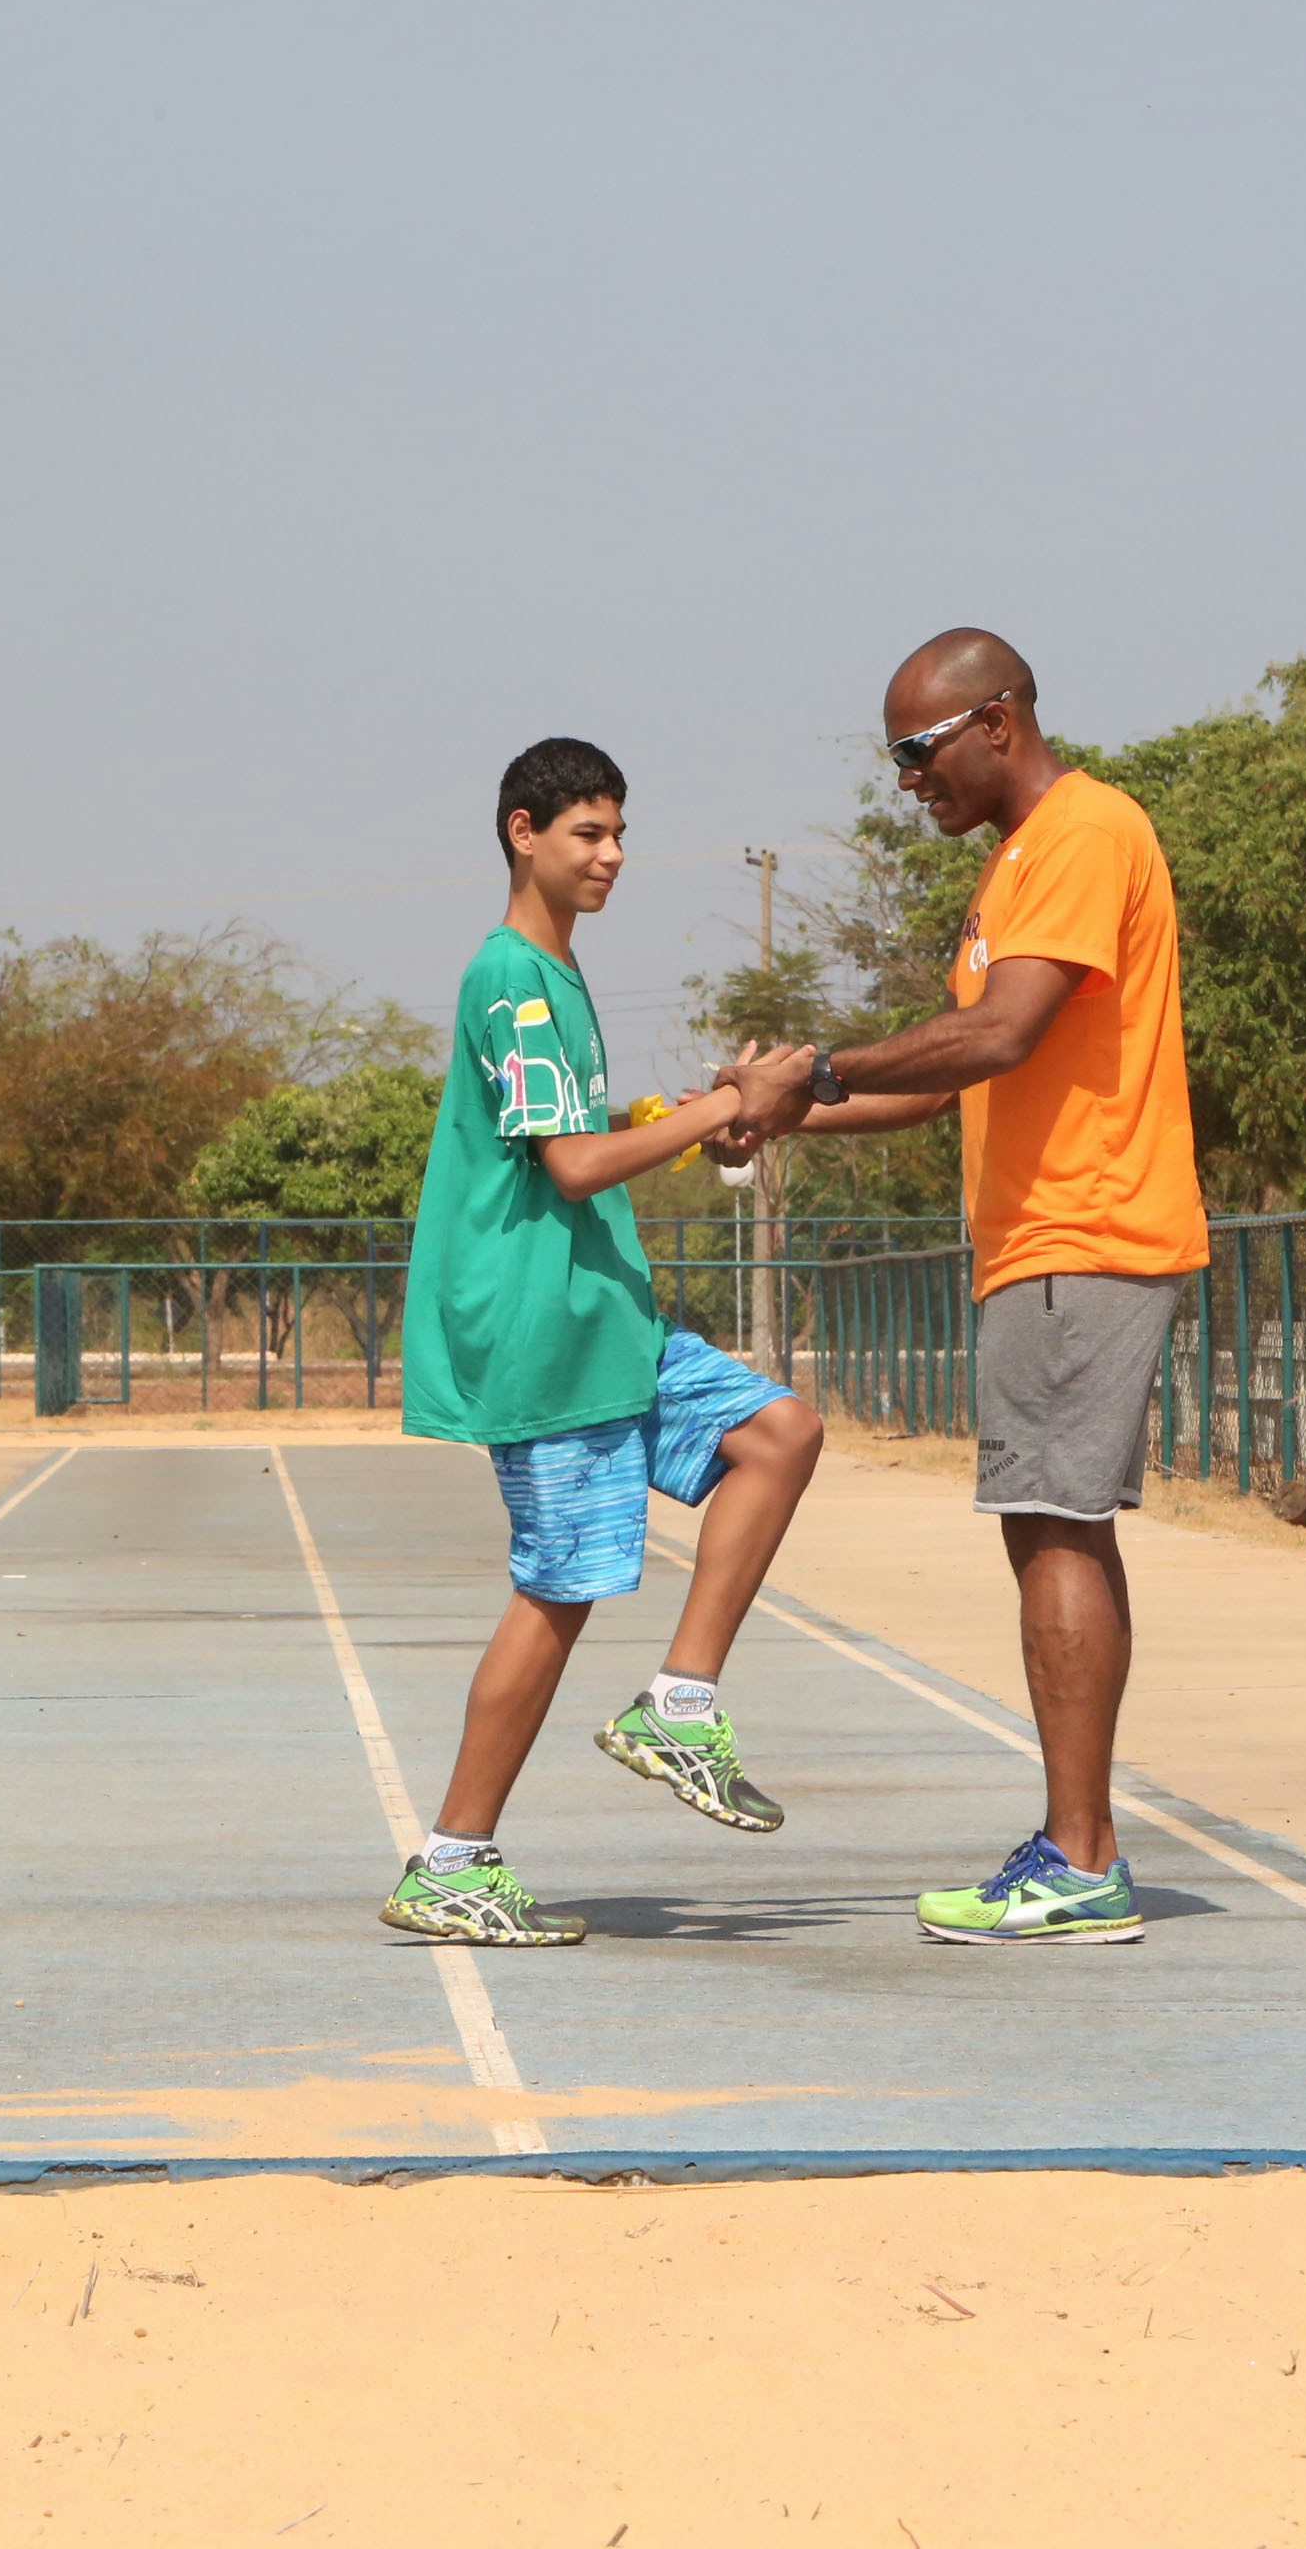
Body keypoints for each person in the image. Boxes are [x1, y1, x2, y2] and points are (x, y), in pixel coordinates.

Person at [722, 631, 1204, 1944]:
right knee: (1045, 1524)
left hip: (1082, 1232)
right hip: (1038, 1244)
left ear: (998, 721)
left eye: (918, 753)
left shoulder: (1086, 832)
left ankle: (1081, 1858)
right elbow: (949, 1081)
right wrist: (777, 1120)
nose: (907, 782)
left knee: (1053, 1522)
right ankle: (1077, 1847)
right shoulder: (1015, 869)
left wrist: (810, 1066)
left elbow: (1002, 1032)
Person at [383, 737, 829, 1947]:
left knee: (779, 1431)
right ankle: (453, 1860)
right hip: (543, 1332)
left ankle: (679, 1703)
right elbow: (570, 1168)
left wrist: (674, 1121)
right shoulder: (514, 981)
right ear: (522, 833)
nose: (612, 855)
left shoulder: (558, 978)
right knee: (560, 1591)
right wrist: (723, 1106)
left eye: (620, 832)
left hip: (604, 1313)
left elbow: (582, 1133)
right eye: (587, 833)